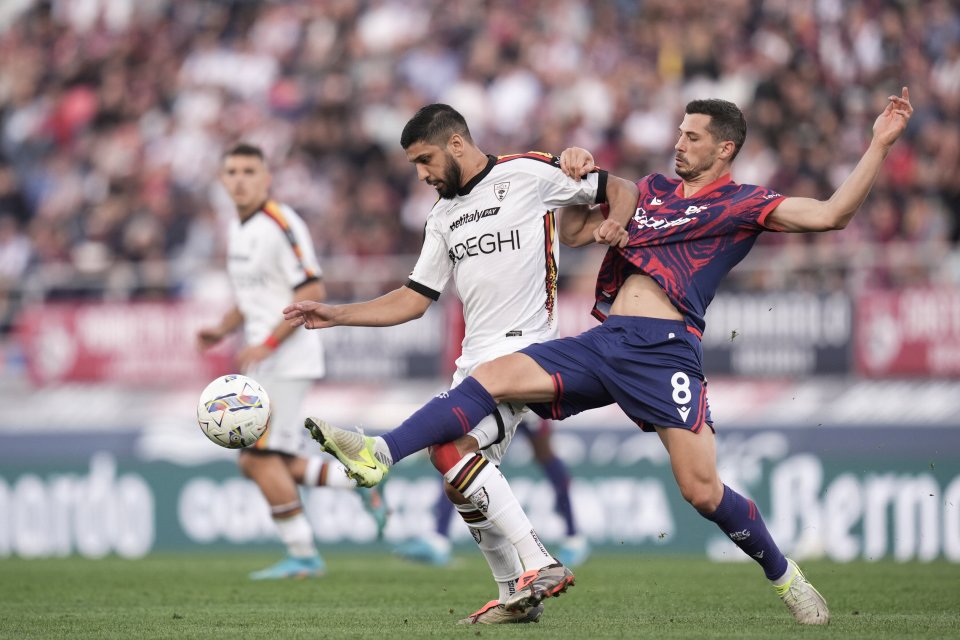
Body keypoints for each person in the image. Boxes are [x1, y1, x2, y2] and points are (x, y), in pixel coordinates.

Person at [288, 88, 914, 624]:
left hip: (666, 353)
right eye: (679, 133)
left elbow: (833, 214)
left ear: (724, 148)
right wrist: (578, 184)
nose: (680, 144)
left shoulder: (741, 203)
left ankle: (788, 578)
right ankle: (380, 453)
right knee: (490, 377)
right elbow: (572, 224)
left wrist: (880, 143)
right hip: (605, 340)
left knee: (700, 490)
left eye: (693, 137)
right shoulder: (652, 192)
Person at [283, 103, 638, 624]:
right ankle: (515, 595)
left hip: (526, 352)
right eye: (414, 166)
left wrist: (617, 225)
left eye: (424, 160)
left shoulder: (529, 174)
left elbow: (620, 189)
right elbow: (413, 297)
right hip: (475, 362)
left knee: (450, 455)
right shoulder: (443, 216)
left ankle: (532, 556)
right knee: (455, 468)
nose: (422, 175)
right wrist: (337, 314)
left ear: (455, 144)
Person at [197, 142, 386, 581]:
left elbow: (314, 290)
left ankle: (304, 555)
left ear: (266, 178)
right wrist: (222, 330)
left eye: (249, 171)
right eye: (232, 172)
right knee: (265, 458)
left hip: (288, 355)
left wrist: (266, 342)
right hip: (267, 359)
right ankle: (358, 476)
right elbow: (253, 298)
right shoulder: (238, 229)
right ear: (223, 181)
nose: (240, 179)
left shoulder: (281, 223)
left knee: (257, 459)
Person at [395, 416, 590, 568]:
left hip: (524, 394)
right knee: (458, 456)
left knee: (544, 455)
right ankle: (438, 539)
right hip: (494, 395)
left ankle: (573, 538)